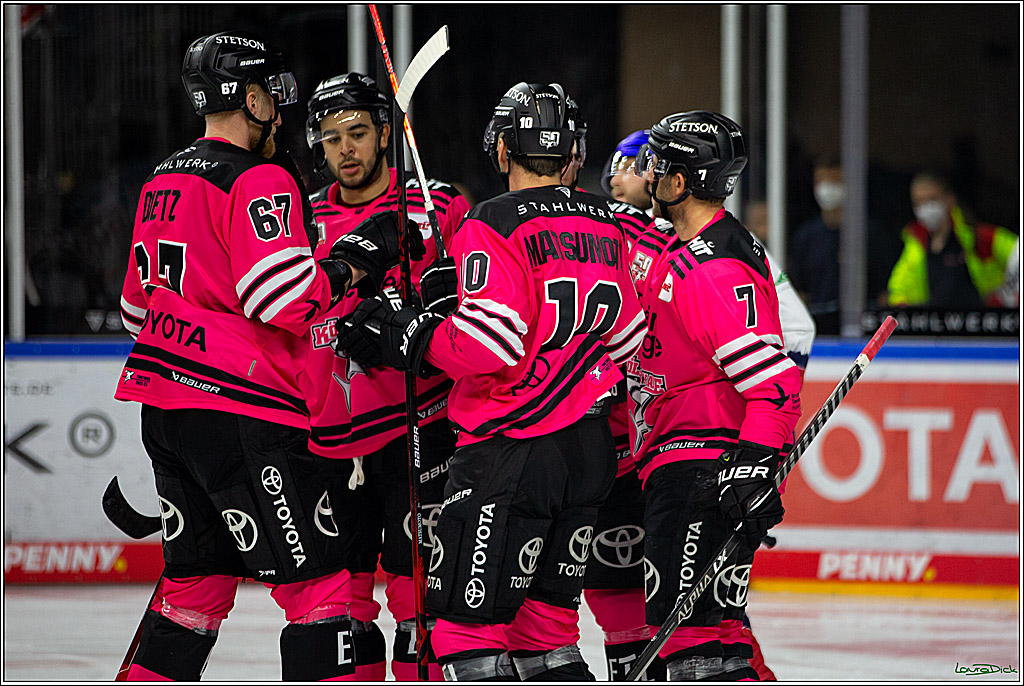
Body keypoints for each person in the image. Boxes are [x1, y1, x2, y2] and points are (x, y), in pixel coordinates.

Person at [114, 32, 409, 681]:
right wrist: (354, 263)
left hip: (164, 407)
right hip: (244, 414)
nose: (278, 115)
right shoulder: (258, 177)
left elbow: (137, 310)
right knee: (323, 594)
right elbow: (285, 299)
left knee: (195, 593)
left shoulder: (162, 179)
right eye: (270, 100)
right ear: (248, 97)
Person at [337, 81, 647, 681]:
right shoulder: (609, 222)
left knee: (463, 629)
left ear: (503, 150)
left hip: (511, 447)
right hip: (586, 451)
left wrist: (412, 334)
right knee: (547, 633)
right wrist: (452, 301)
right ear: (574, 154)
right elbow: (628, 337)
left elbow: (488, 345)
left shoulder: (494, 221)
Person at [300, 71, 471, 681]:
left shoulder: (437, 201)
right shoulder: (300, 213)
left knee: (418, 591)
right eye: (329, 137)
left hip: (418, 424)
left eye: (356, 133)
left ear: (385, 136)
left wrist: (429, 306)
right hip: (330, 434)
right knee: (337, 601)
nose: (344, 149)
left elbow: (470, 309)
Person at [630, 111, 802, 680]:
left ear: (680, 183)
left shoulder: (706, 268)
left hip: (698, 468)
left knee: (690, 646)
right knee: (722, 634)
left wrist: (754, 466)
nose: (646, 174)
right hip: (701, 462)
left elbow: (774, 384)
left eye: (656, 165)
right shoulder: (705, 243)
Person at [789, 155, 893, 334]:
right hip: (817, 330)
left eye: (834, 181)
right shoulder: (806, 236)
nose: (826, 188)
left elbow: (886, 293)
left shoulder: (871, 234)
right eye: (821, 181)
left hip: (864, 330)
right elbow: (799, 291)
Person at [886, 171, 1017, 308]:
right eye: (918, 203)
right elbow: (898, 291)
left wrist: (1006, 296)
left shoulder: (978, 237)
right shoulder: (916, 244)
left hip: (981, 324)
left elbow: (1017, 253)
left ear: (949, 199)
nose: (925, 209)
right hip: (936, 325)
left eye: (931, 200)